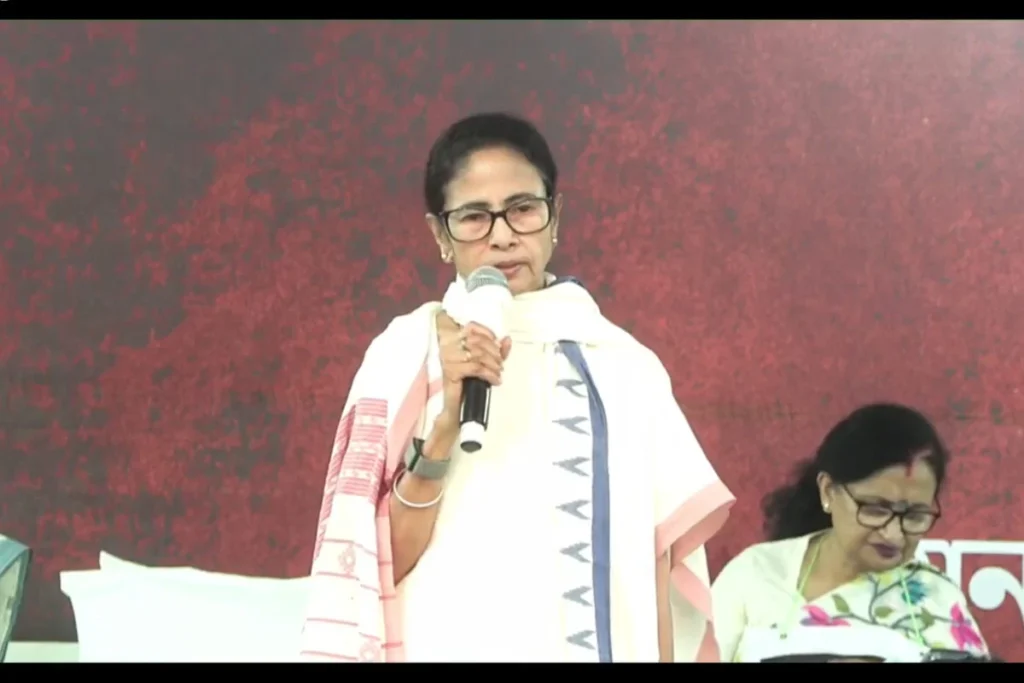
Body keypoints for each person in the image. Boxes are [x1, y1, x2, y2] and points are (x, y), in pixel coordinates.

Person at [298, 112, 735, 663]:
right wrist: (444, 431)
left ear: (555, 217)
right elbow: (373, 569)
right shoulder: (405, 356)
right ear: (440, 235)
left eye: (523, 209)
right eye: (474, 217)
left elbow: (654, 577)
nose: (503, 235)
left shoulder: (627, 368)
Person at [711, 403, 990, 663]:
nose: (893, 535)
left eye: (915, 516)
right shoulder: (755, 576)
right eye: (875, 509)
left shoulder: (937, 600)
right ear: (828, 491)